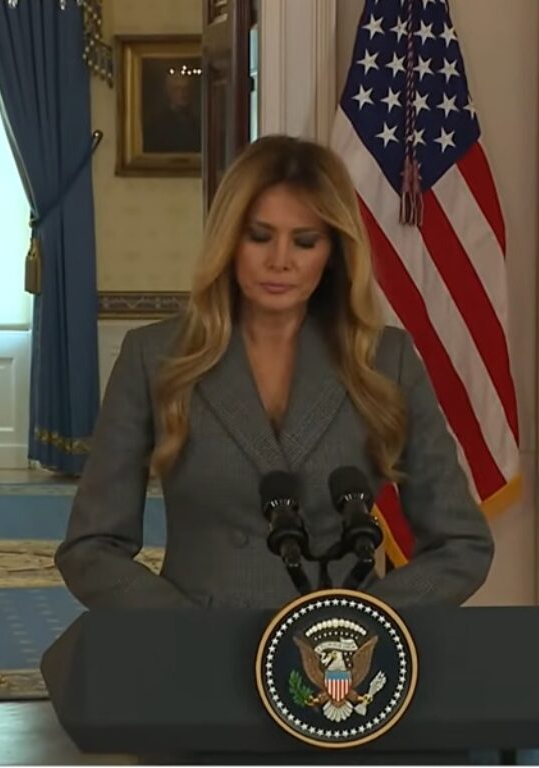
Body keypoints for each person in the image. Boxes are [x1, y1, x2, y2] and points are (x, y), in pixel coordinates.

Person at [55, 135, 493, 611]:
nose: (280, 260)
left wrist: (362, 621)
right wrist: (180, 628)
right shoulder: (155, 355)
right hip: (196, 643)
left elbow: (461, 545)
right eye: (259, 236)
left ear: (333, 251)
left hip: (337, 649)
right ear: (229, 240)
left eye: (305, 241)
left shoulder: (386, 360)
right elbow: (90, 548)